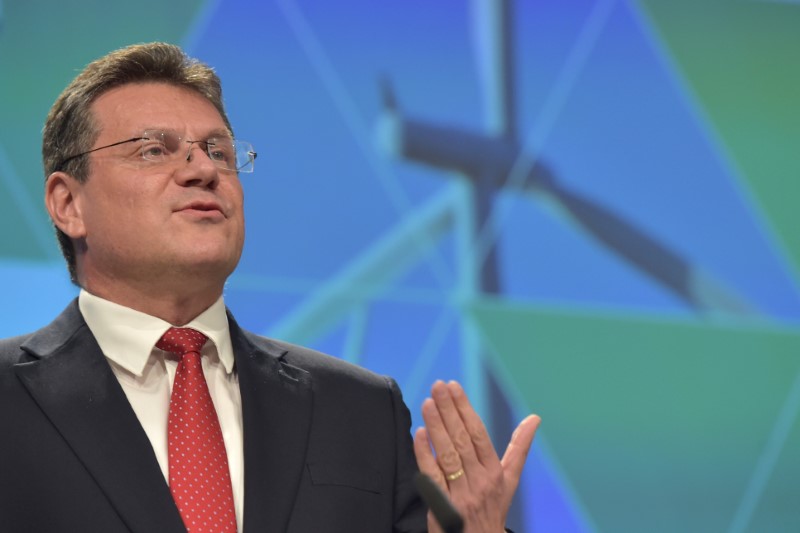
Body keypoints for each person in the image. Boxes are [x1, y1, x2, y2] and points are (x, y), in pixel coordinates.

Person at [0, 42, 540, 532]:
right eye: (153, 150)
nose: (202, 171)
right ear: (68, 204)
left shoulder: (359, 408)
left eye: (219, 152)